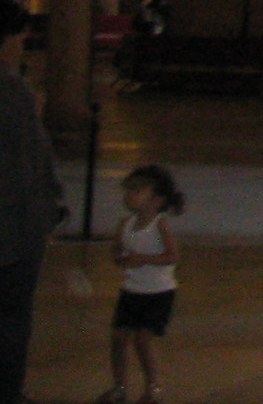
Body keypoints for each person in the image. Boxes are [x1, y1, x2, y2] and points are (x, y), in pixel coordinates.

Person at [0, 0, 63, 404]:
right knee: (10, 317)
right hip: (13, 228)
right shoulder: (12, 92)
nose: (22, 45)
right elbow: (31, 161)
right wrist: (49, 208)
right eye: (19, 37)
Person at [99, 164, 181, 404]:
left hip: (158, 292)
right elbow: (117, 252)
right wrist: (120, 256)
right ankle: (119, 386)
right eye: (128, 190)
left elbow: (172, 256)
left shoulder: (160, 224)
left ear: (156, 200)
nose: (128, 195)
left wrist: (142, 259)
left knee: (143, 339)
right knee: (118, 337)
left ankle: (152, 386)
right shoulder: (125, 224)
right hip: (132, 290)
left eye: (136, 190)